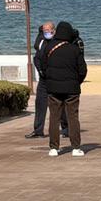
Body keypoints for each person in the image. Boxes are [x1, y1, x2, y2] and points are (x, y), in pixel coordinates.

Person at [35, 19, 87, 156]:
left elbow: (43, 67)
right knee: (73, 117)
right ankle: (76, 147)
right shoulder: (75, 49)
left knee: (54, 117)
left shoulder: (49, 47)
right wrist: (77, 82)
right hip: (72, 89)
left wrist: (51, 80)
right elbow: (82, 70)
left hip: (53, 89)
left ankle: (54, 147)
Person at [25, 21, 66, 140]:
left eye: (48, 30)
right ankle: (38, 130)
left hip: (56, 79)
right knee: (40, 104)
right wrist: (40, 71)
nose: (46, 32)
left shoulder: (59, 43)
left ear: (54, 30)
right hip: (43, 79)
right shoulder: (42, 41)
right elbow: (37, 58)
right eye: (44, 31)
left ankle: (66, 128)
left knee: (60, 104)